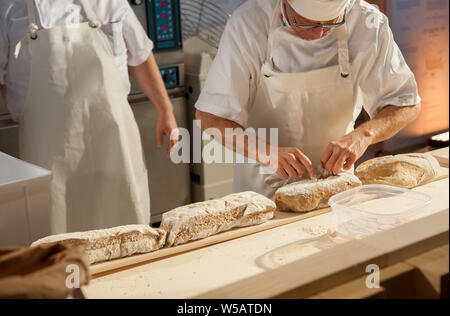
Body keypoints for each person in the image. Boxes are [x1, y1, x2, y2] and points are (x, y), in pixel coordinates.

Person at [195, 0, 421, 199]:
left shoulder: (366, 22)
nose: (318, 33)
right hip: (263, 191)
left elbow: (406, 103)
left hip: (336, 188)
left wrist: (363, 135)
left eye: (330, 23)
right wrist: (265, 152)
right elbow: (210, 118)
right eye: (307, 22)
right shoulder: (248, 23)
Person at [0, 0, 179, 233]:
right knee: (57, 236)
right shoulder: (8, 9)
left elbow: (140, 55)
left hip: (113, 145)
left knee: (126, 227)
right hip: (47, 152)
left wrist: (166, 110)